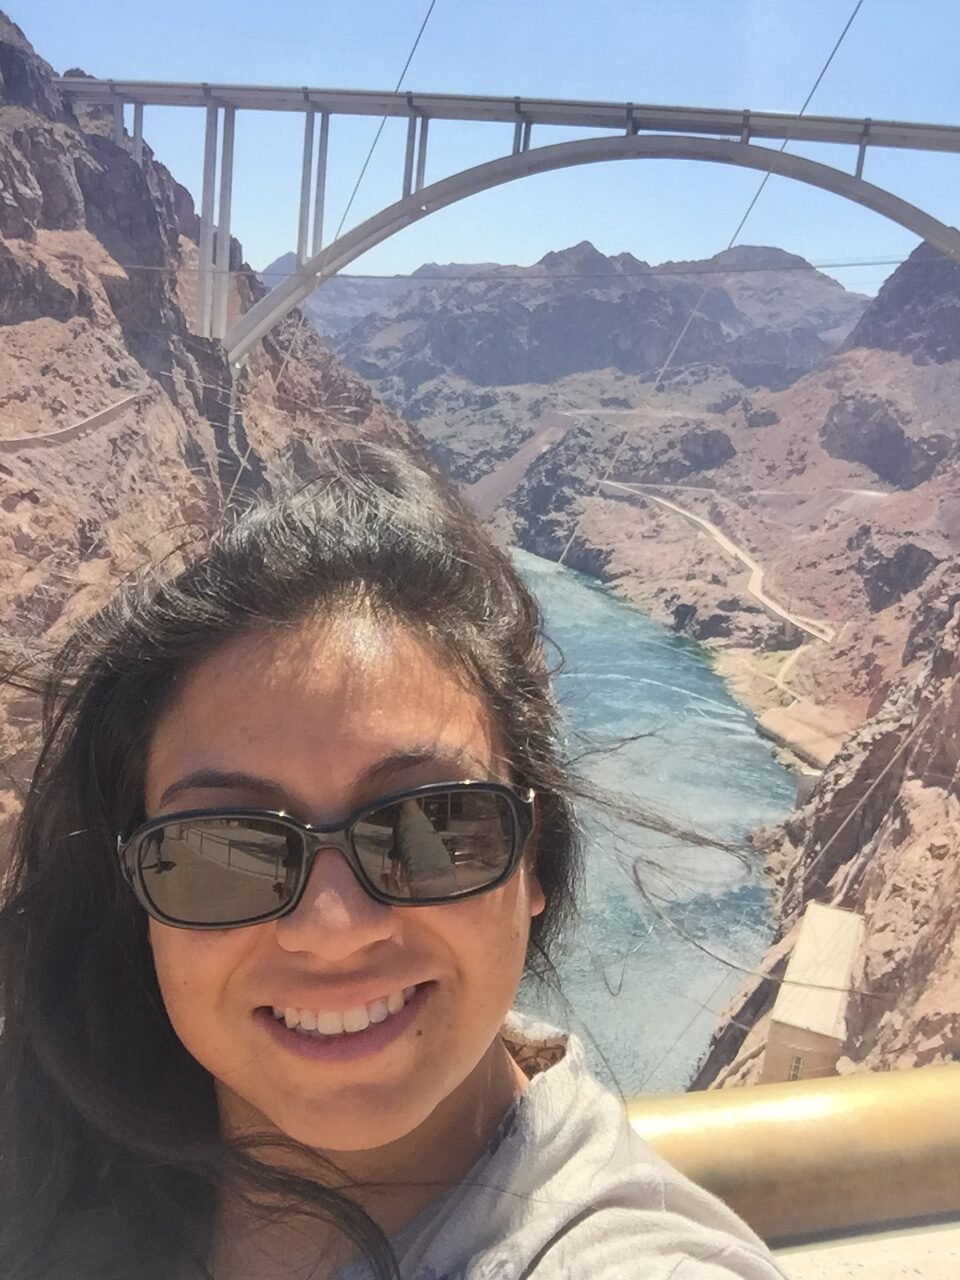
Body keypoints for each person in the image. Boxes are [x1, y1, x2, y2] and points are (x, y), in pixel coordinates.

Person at [0, 441, 785, 1280]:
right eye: (221, 853)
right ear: (136, 894)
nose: (332, 930)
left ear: (535, 863)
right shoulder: (57, 1139)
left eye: (433, 828)